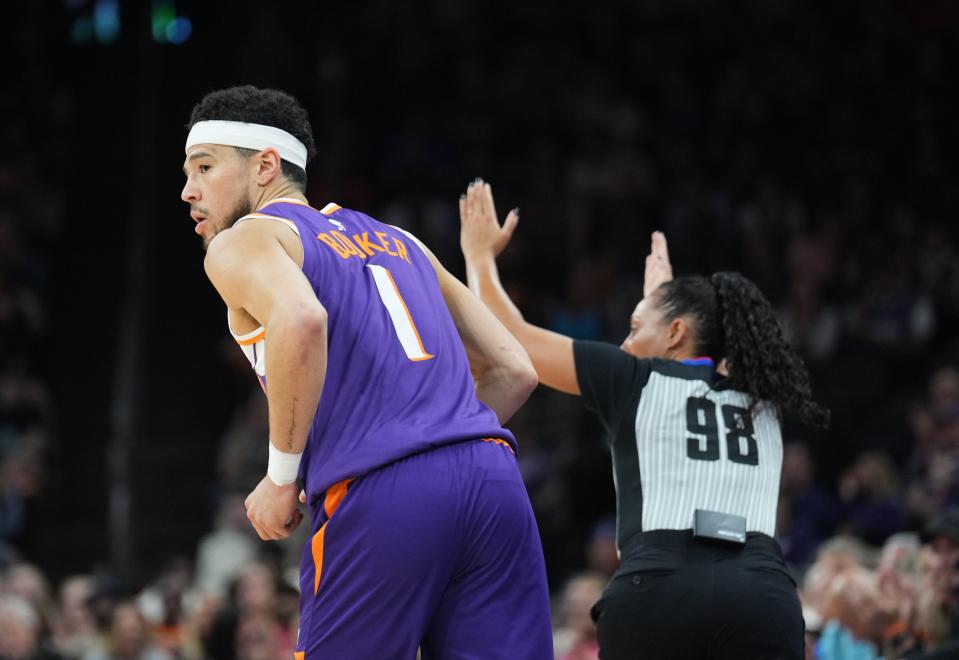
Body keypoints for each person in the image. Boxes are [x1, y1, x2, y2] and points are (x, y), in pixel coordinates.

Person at [179, 86, 552, 658]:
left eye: (204, 167)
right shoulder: (401, 240)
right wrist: (437, 437)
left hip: (383, 491)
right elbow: (515, 369)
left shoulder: (243, 240)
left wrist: (281, 478)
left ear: (266, 166)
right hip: (494, 481)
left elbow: (302, 320)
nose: (189, 191)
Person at [458, 180, 830, 659]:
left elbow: (509, 336)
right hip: (763, 595)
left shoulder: (633, 377)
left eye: (635, 328)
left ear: (677, 332)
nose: (626, 343)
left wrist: (479, 255)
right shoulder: (767, 391)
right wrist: (660, 298)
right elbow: (705, 364)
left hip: (658, 589)